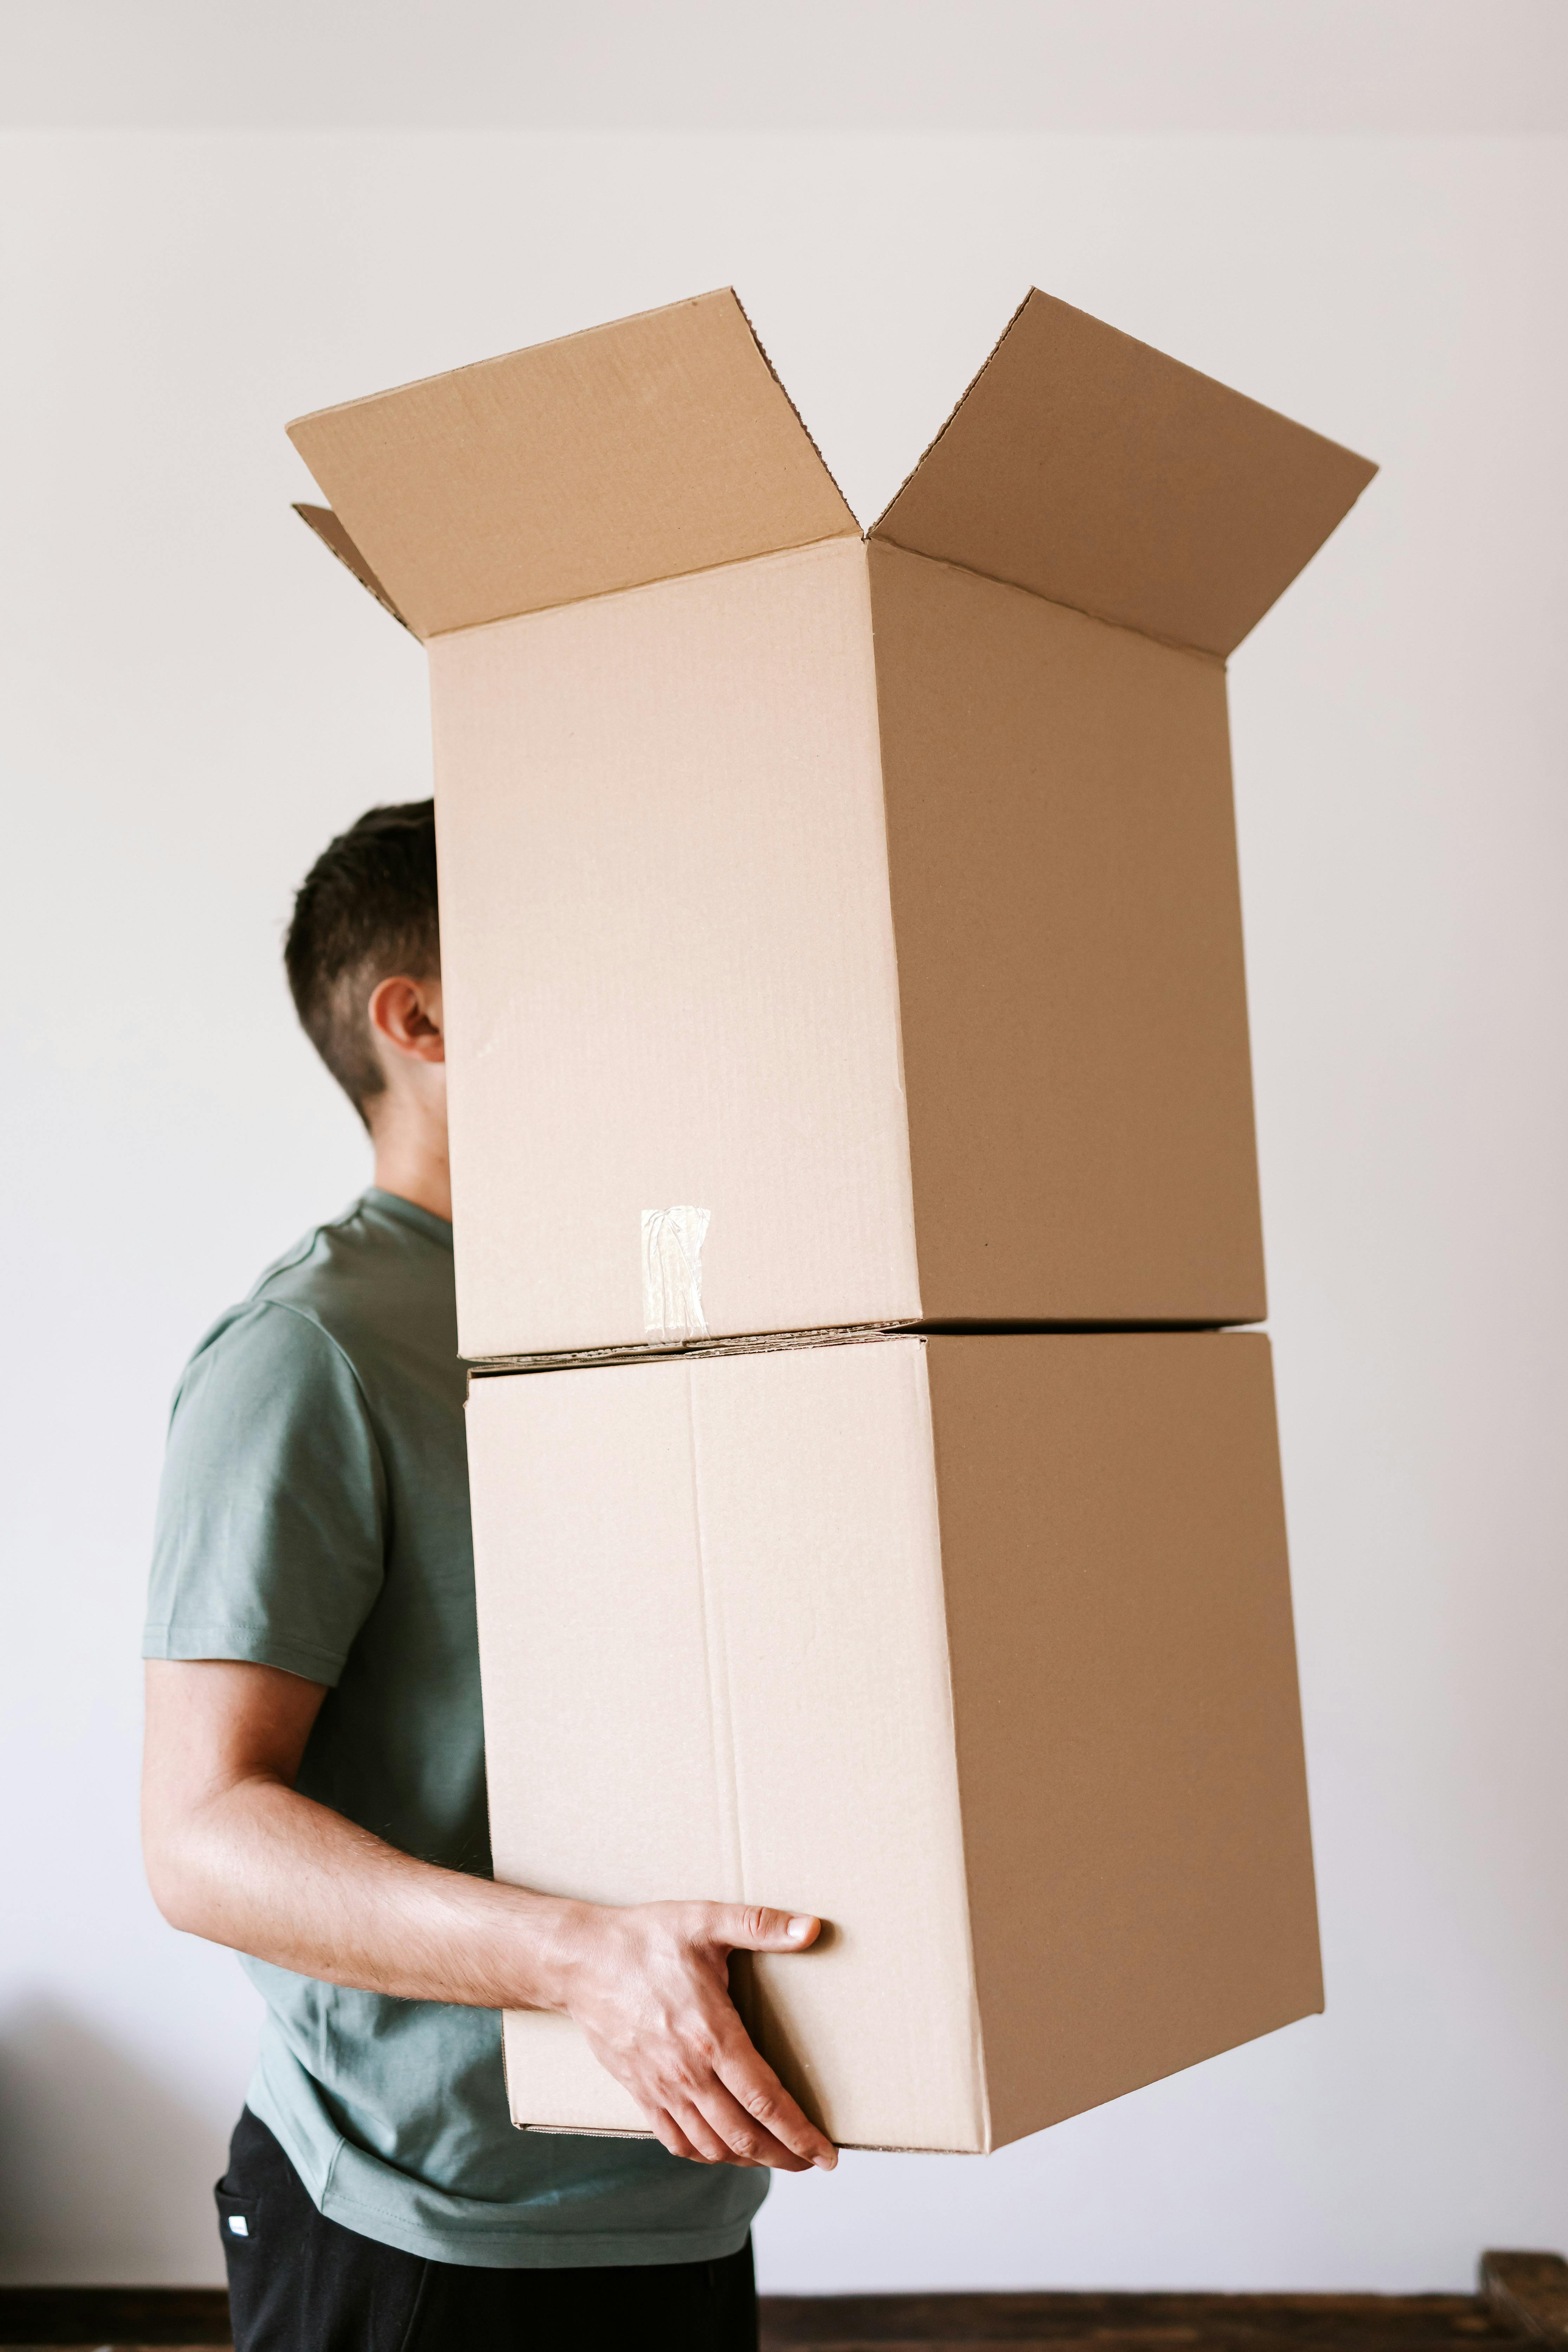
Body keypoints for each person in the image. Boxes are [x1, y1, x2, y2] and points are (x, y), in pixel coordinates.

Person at [141, 800, 835, 2352]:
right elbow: (197, 1838)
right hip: (417, 2227)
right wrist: (582, 1961)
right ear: (421, 1016)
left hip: (669, 2173)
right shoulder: (310, 1352)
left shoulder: (644, 1312)